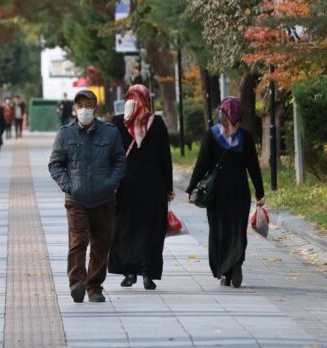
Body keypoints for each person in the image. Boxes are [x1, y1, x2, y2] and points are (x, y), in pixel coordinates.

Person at [48, 90, 126, 303]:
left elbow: (120, 161)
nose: (84, 109)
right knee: (78, 241)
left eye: (88, 104)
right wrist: (68, 186)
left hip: (104, 199)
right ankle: (77, 283)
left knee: (101, 244)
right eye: (80, 105)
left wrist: (111, 183)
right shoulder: (65, 134)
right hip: (76, 199)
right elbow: (55, 164)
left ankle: (94, 287)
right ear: (75, 108)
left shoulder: (110, 132)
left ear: (95, 108)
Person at [185, 97, 265, 288]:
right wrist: (260, 193)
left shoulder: (211, 136)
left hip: (217, 195)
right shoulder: (245, 138)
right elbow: (253, 167)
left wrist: (191, 188)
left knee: (219, 231)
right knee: (237, 231)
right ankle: (236, 263)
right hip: (239, 192)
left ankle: (224, 271)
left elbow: (201, 165)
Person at [108, 85, 174, 290]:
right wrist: (169, 187)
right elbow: (165, 158)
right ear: (147, 100)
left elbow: (110, 155)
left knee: (126, 228)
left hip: (125, 186)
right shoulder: (157, 123)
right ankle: (148, 274)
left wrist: (109, 182)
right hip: (153, 186)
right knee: (151, 230)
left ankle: (128, 273)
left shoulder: (118, 123)